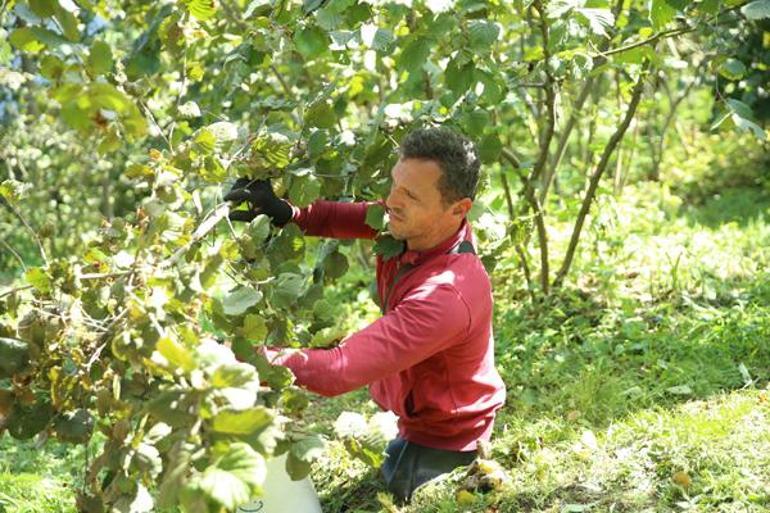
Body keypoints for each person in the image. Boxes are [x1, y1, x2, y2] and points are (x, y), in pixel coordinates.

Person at [225, 126, 506, 502]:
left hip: (447, 438)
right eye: (394, 185)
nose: (391, 201)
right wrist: (287, 212)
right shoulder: (414, 226)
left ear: (458, 209)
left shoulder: (446, 294)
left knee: (389, 493)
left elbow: (338, 370)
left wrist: (236, 356)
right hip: (415, 413)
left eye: (409, 195)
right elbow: (344, 218)